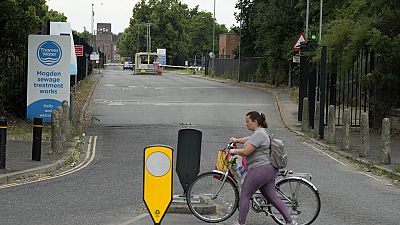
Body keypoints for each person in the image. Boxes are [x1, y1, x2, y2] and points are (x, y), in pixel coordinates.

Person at [229, 111, 297, 225]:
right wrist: (236, 140)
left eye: (248, 121)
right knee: (273, 198)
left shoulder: (259, 134)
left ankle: (240, 223)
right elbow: (249, 139)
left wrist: (233, 151)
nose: (246, 124)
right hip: (269, 169)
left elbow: (246, 151)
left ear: (255, 121)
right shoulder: (261, 132)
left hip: (260, 169)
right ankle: (290, 221)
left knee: (245, 194)